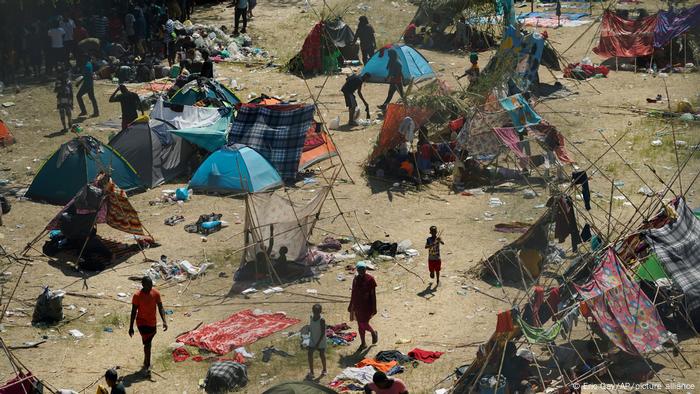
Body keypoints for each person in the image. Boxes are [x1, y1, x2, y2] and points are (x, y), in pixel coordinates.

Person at [129, 276, 168, 374]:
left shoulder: (156, 293)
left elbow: (160, 307)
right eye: (148, 285)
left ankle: (146, 361)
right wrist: (131, 327)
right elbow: (133, 311)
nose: (150, 287)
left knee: (148, 344)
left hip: (152, 323)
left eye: (151, 285)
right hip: (142, 323)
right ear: (143, 285)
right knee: (148, 344)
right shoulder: (137, 296)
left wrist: (164, 321)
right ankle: (147, 364)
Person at [348, 261, 378, 349]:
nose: (361, 271)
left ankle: (373, 332)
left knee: (363, 323)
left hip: (367, 306)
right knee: (360, 325)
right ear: (357, 270)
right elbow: (353, 293)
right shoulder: (356, 279)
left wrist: (374, 308)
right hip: (358, 306)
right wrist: (351, 305)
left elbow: (373, 295)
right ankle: (363, 343)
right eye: (359, 269)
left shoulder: (370, 279)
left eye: (363, 269)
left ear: (365, 269)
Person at [306, 303, 327, 380]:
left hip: (320, 340)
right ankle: (312, 372)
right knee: (309, 354)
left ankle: (324, 369)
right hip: (313, 339)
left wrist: (317, 344)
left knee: (322, 354)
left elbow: (323, 333)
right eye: (314, 312)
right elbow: (311, 327)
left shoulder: (322, 320)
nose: (316, 313)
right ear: (312, 311)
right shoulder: (311, 317)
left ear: (320, 312)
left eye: (317, 312)